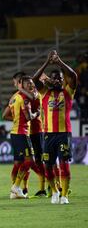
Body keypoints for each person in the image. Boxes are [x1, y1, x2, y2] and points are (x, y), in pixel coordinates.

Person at [32, 50, 77, 204]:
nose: (57, 80)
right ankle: (55, 191)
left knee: (64, 165)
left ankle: (64, 195)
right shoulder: (44, 93)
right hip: (48, 135)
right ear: (49, 80)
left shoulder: (68, 92)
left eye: (60, 78)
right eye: (54, 78)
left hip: (64, 134)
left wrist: (59, 62)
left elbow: (74, 76)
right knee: (48, 166)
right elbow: (34, 79)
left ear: (63, 80)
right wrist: (47, 62)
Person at [2, 76, 40, 199]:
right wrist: (37, 113)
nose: (31, 84)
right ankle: (16, 187)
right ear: (21, 85)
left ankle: (14, 193)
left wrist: (17, 119)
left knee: (19, 162)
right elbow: (29, 117)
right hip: (22, 133)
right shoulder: (24, 98)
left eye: (31, 82)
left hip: (15, 133)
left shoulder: (14, 97)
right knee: (29, 160)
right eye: (28, 83)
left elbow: (4, 115)